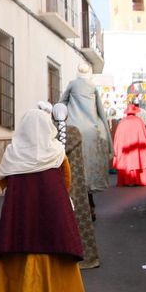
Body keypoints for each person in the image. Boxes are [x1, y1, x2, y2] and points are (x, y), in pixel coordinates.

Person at [0, 107, 89, 292]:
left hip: (20, 214)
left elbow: (3, 182)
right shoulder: (56, 152)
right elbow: (66, 181)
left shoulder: (12, 153)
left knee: (19, 248)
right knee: (55, 249)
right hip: (52, 212)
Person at [46, 101, 100, 269]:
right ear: (67, 116)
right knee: (80, 218)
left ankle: (59, 260)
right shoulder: (75, 132)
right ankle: (87, 257)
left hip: (55, 182)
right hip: (75, 182)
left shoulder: (48, 135)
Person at [62, 77, 113, 191]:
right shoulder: (93, 87)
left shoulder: (68, 126)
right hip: (93, 130)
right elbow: (100, 109)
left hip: (72, 125)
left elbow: (62, 102)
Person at [112, 102, 146, 187]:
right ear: (135, 112)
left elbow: (117, 139)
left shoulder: (122, 123)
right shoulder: (139, 122)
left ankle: (128, 180)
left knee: (127, 161)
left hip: (126, 149)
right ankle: (140, 180)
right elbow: (145, 136)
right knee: (138, 159)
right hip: (137, 148)